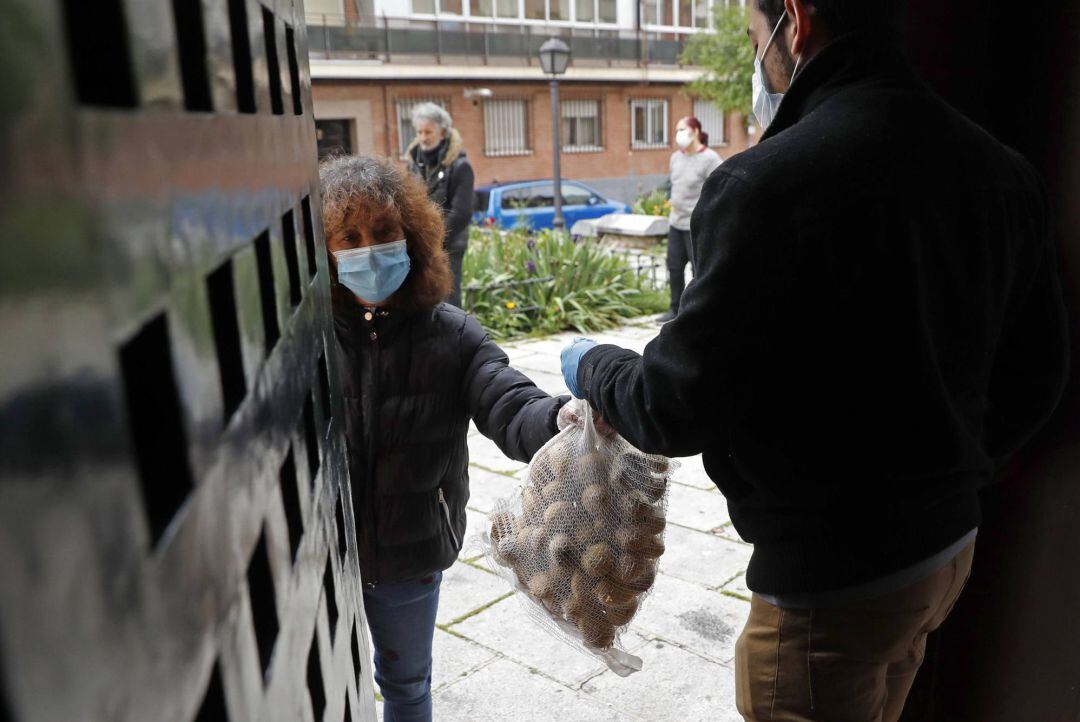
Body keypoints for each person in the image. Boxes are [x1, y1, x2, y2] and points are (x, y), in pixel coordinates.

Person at [559, 0, 1070, 720]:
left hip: (827, 598)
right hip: (947, 557)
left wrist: (590, 363)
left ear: (793, 21)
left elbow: (671, 407)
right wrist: (953, 473)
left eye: (750, 35)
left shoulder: (764, 187)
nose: (756, 55)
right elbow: (1041, 373)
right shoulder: (1002, 169)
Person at [320, 155, 567, 722]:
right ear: (324, 251)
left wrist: (560, 419)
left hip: (410, 553)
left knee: (405, 687)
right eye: (348, 237)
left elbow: (509, 402)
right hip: (321, 555)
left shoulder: (453, 335)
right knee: (326, 683)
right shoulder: (306, 338)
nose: (368, 249)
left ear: (412, 238)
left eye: (384, 233)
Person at [406, 103, 475, 308]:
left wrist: (434, 239)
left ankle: (454, 339)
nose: (423, 137)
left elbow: (462, 212)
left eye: (428, 131)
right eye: (419, 132)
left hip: (449, 245)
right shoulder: (413, 163)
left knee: (449, 299)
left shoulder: (460, 166)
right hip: (421, 245)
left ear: (442, 133)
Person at [663, 116, 722, 322]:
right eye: (676, 130)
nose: (679, 134)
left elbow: (719, 190)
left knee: (699, 271)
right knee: (674, 267)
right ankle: (675, 310)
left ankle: (698, 312)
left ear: (695, 131)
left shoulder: (710, 159)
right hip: (676, 222)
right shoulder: (675, 158)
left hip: (696, 225)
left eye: (683, 129)